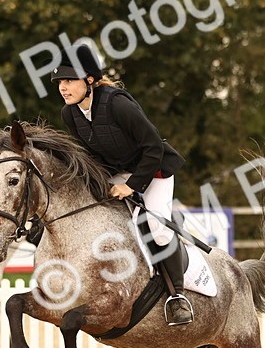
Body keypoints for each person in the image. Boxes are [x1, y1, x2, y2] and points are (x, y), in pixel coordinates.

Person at [50, 44, 191, 325]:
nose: (63, 88)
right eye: (60, 82)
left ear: (89, 80)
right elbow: (89, 157)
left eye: (69, 81)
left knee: (158, 230)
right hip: (116, 173)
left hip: (153, 170)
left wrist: (133, 185)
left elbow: (153, 147)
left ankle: (178, 296)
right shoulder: (71, 114)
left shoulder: (117, 104)